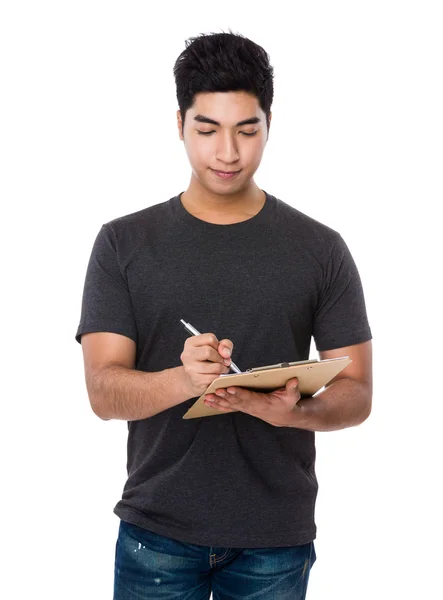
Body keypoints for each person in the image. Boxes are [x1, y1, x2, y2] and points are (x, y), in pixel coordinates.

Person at [75, 29, 372, 600]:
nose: (228, 152)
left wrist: (293, 413)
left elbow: (357, 393)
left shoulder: (321, 248)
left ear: (269, 125)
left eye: (247, 130)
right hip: (156, 532)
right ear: (179, 124)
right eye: (207, 129)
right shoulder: (122, 243)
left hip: (275, 538)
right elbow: (102, 393)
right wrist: (183, 380)